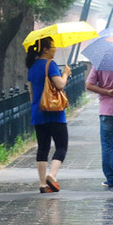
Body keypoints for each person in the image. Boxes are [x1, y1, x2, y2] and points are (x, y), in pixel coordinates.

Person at [25, 37, 71, 193]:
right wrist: (65, 73)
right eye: (52, 46)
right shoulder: (50, 65)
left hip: (38, 113)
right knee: (62, 146)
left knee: (42, 148)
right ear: (45, 49)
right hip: (54, 113)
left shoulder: (32, 67)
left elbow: (31, 94)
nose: (55, 49)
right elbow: (60, 85)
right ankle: (52, 175)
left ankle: (42, 184)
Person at [85, 65, 113, 189]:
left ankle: (111, 179)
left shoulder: (99, 64)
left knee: (107, 146)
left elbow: (89, 85)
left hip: (106, 110)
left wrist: (106, 92)